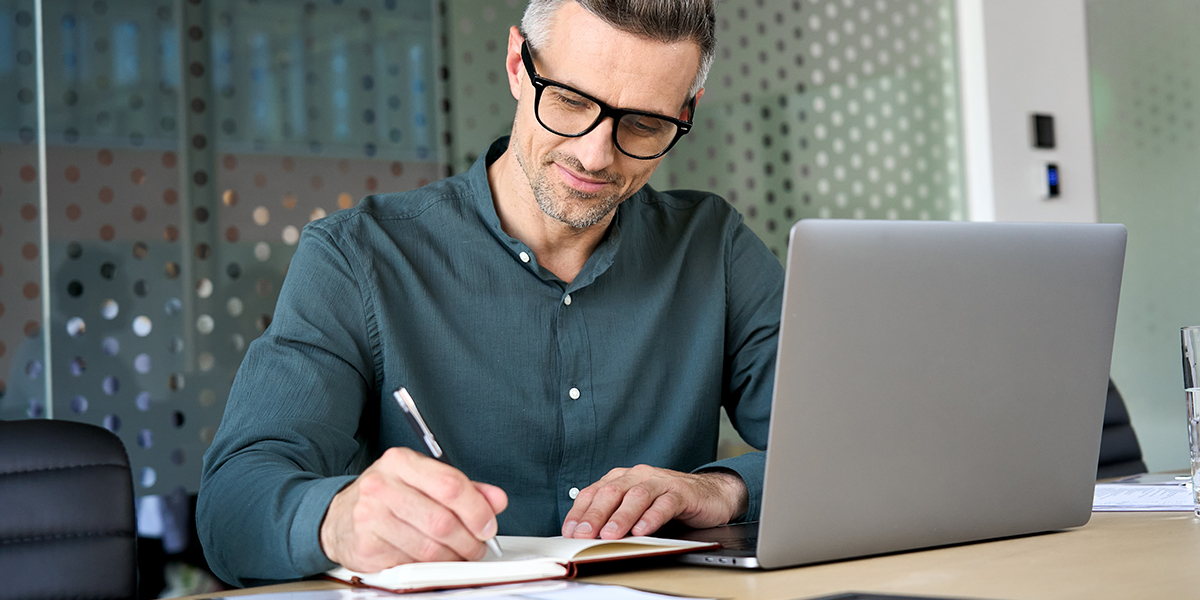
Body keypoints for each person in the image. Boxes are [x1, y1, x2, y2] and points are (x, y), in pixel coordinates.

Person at [197, 0, 783, 586]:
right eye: (570, 101)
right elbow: (232, 503)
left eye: (644, 124)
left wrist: (723, 489)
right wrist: (334, 521)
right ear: (515, 65)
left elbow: (856, 453)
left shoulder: (715, 250)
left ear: (687, 112)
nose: (595, 154)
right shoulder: (358, 258)